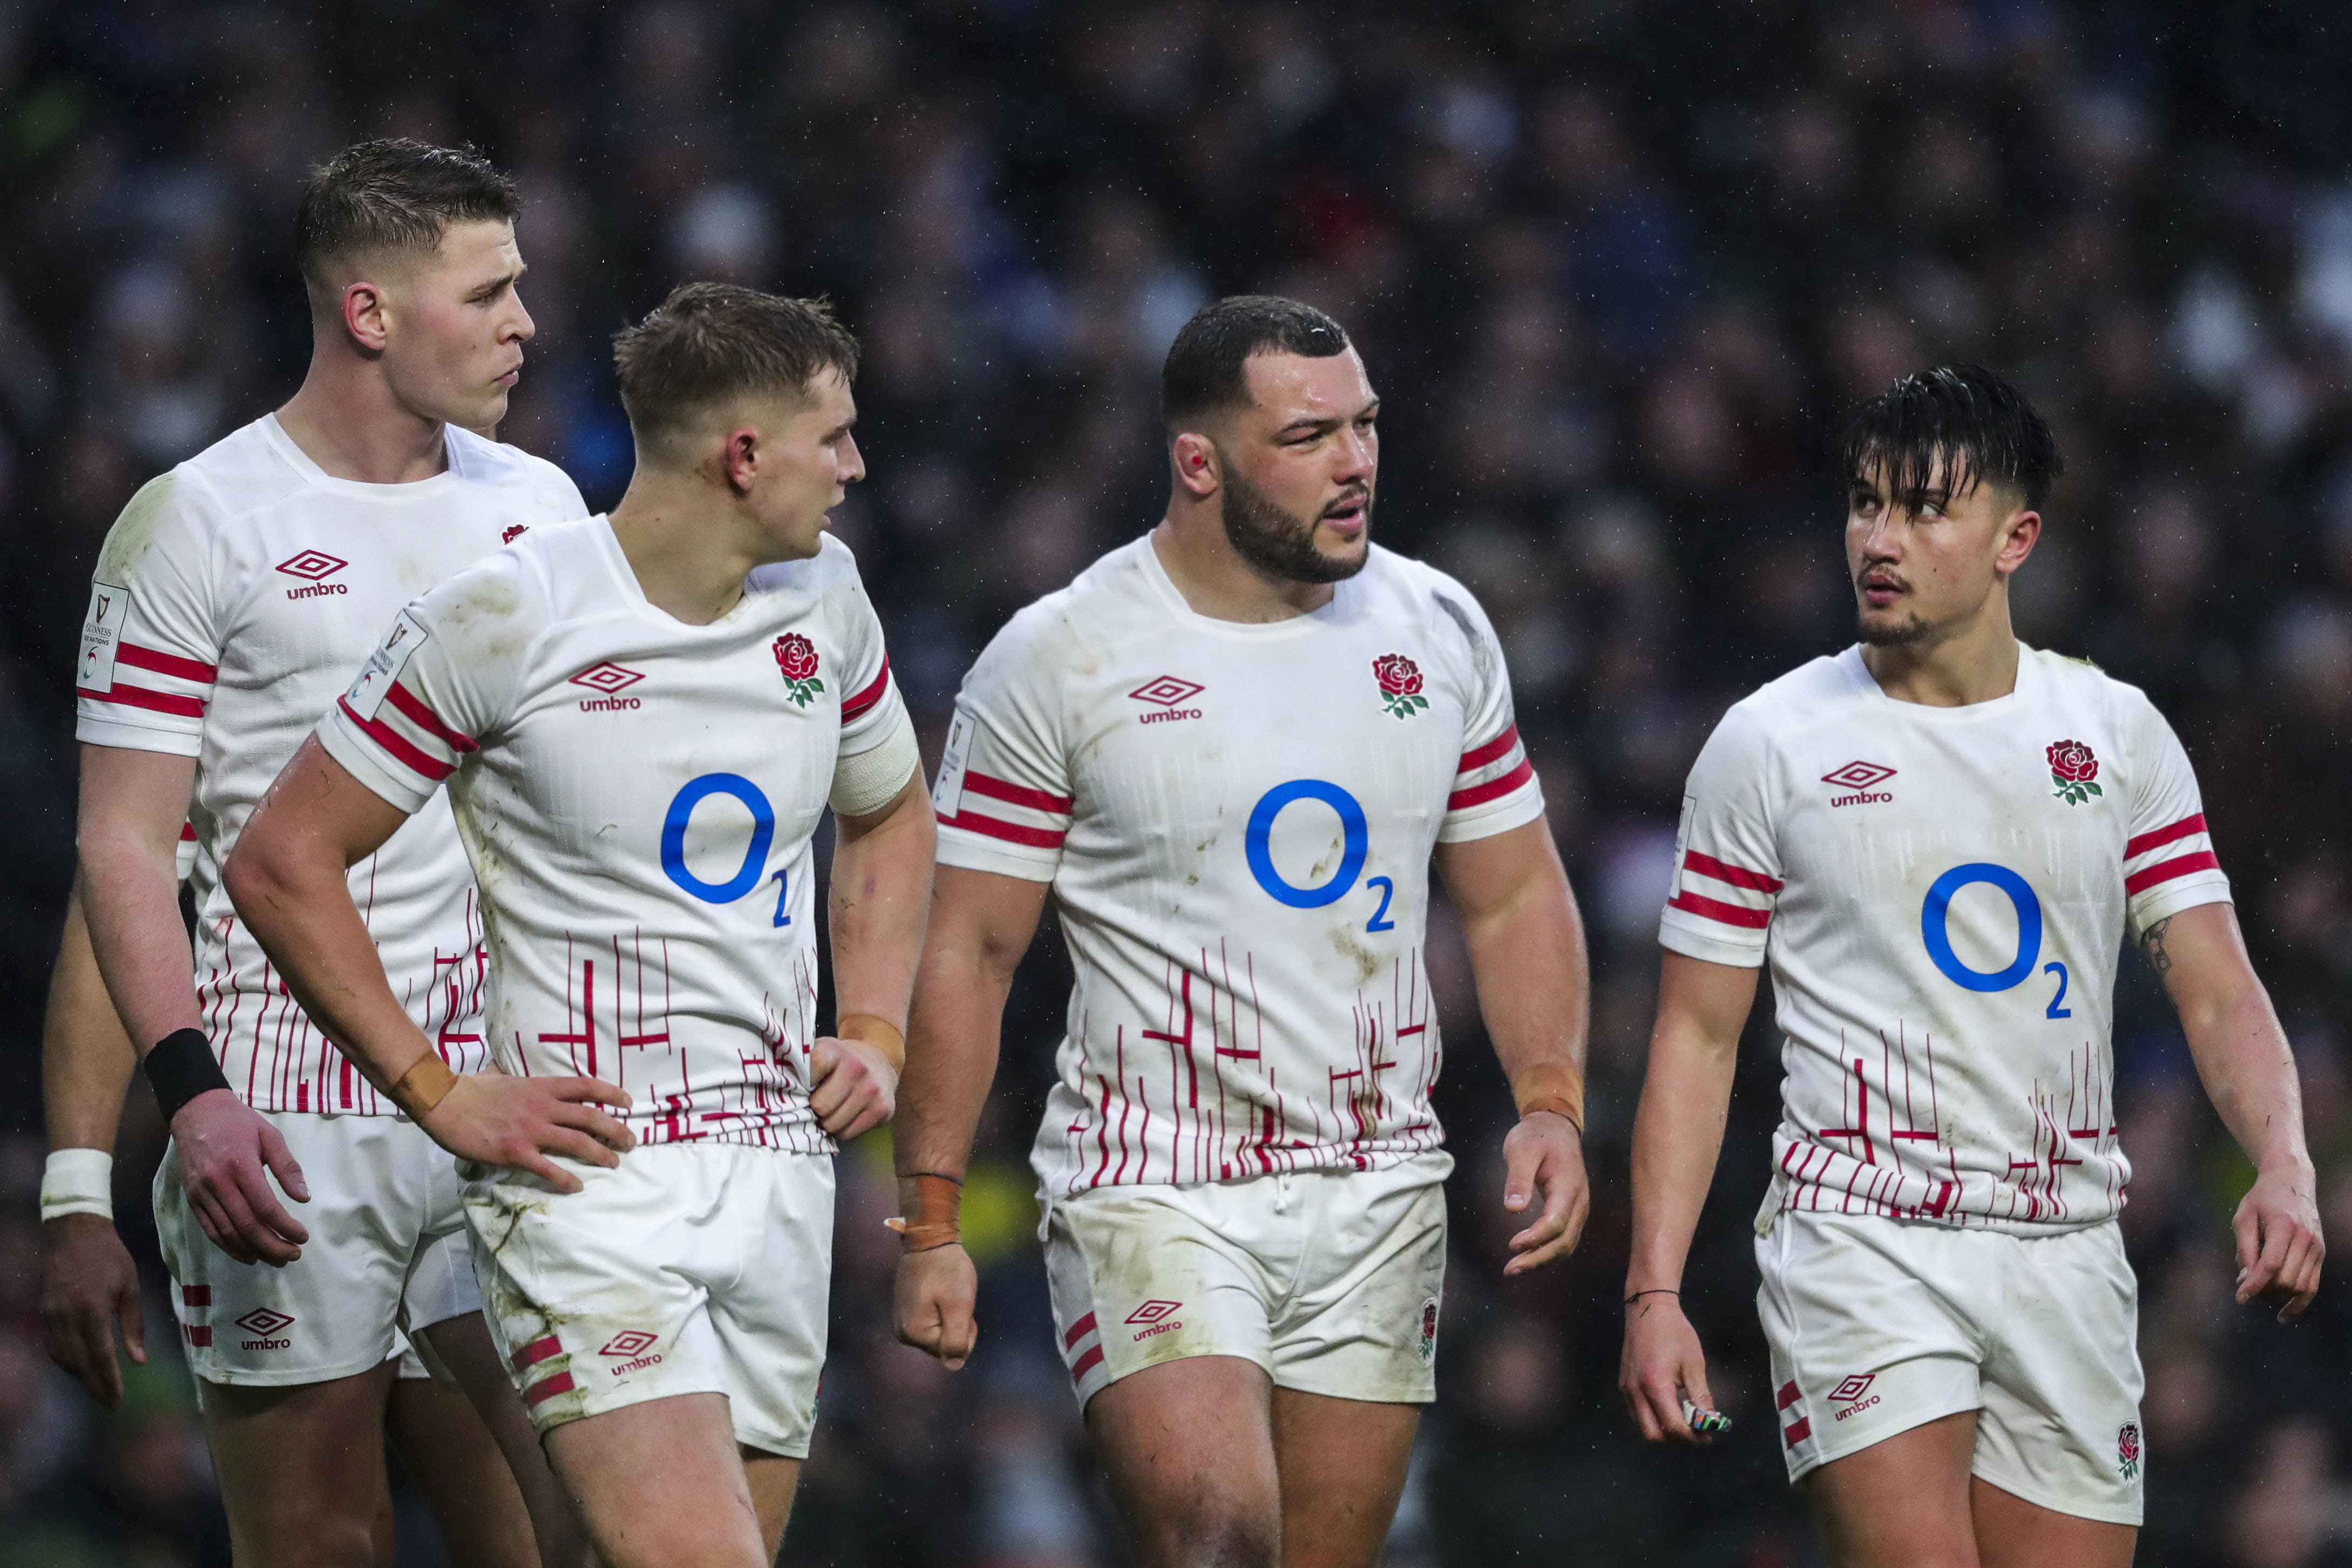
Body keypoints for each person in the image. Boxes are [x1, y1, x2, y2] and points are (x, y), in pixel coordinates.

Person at [225, 281, 934, 1568]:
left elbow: (889, 814)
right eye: (831, 437)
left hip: (776, 1173)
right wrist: (438, 1091)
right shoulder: (508, 612)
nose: (854, 467)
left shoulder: (824, 593)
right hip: (590, 1184)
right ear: (743, 455)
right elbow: (280, 861)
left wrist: (875, 1025)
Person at [890, 295, 1592, 1568]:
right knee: (1217, 1538)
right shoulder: (1060, 658)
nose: (1357, 461)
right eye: (1310, 435)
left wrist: (1549, 1095)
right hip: (1153, 1172)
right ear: (1198, 462)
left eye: (1366, 427)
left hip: (1380, 1176)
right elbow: (970, 949)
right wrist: (932, 1219)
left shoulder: (1434, 627)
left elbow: (1511, 889)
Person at [1617, 365, 2326, 1568]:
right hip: (1861, 1235)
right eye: (1862, 503)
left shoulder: (2112, 734)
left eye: (1922, 508)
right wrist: (1653, 1288)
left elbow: (2215, 984)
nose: (1878, 538)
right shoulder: (1769, 744)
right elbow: (1695, 1033)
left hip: (2067, 1243)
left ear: (2016, 539)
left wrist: (2285, 1165)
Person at [60, 138, 607, 1567]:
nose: (524, 323)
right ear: (369, 313)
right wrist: (168, 1116)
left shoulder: (543, 509)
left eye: (522, 287)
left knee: (574, 1530)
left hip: (498, 1093)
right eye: (487, 292)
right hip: (283, 1107)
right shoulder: (199, 522)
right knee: (322, 1542)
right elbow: (121, 853)